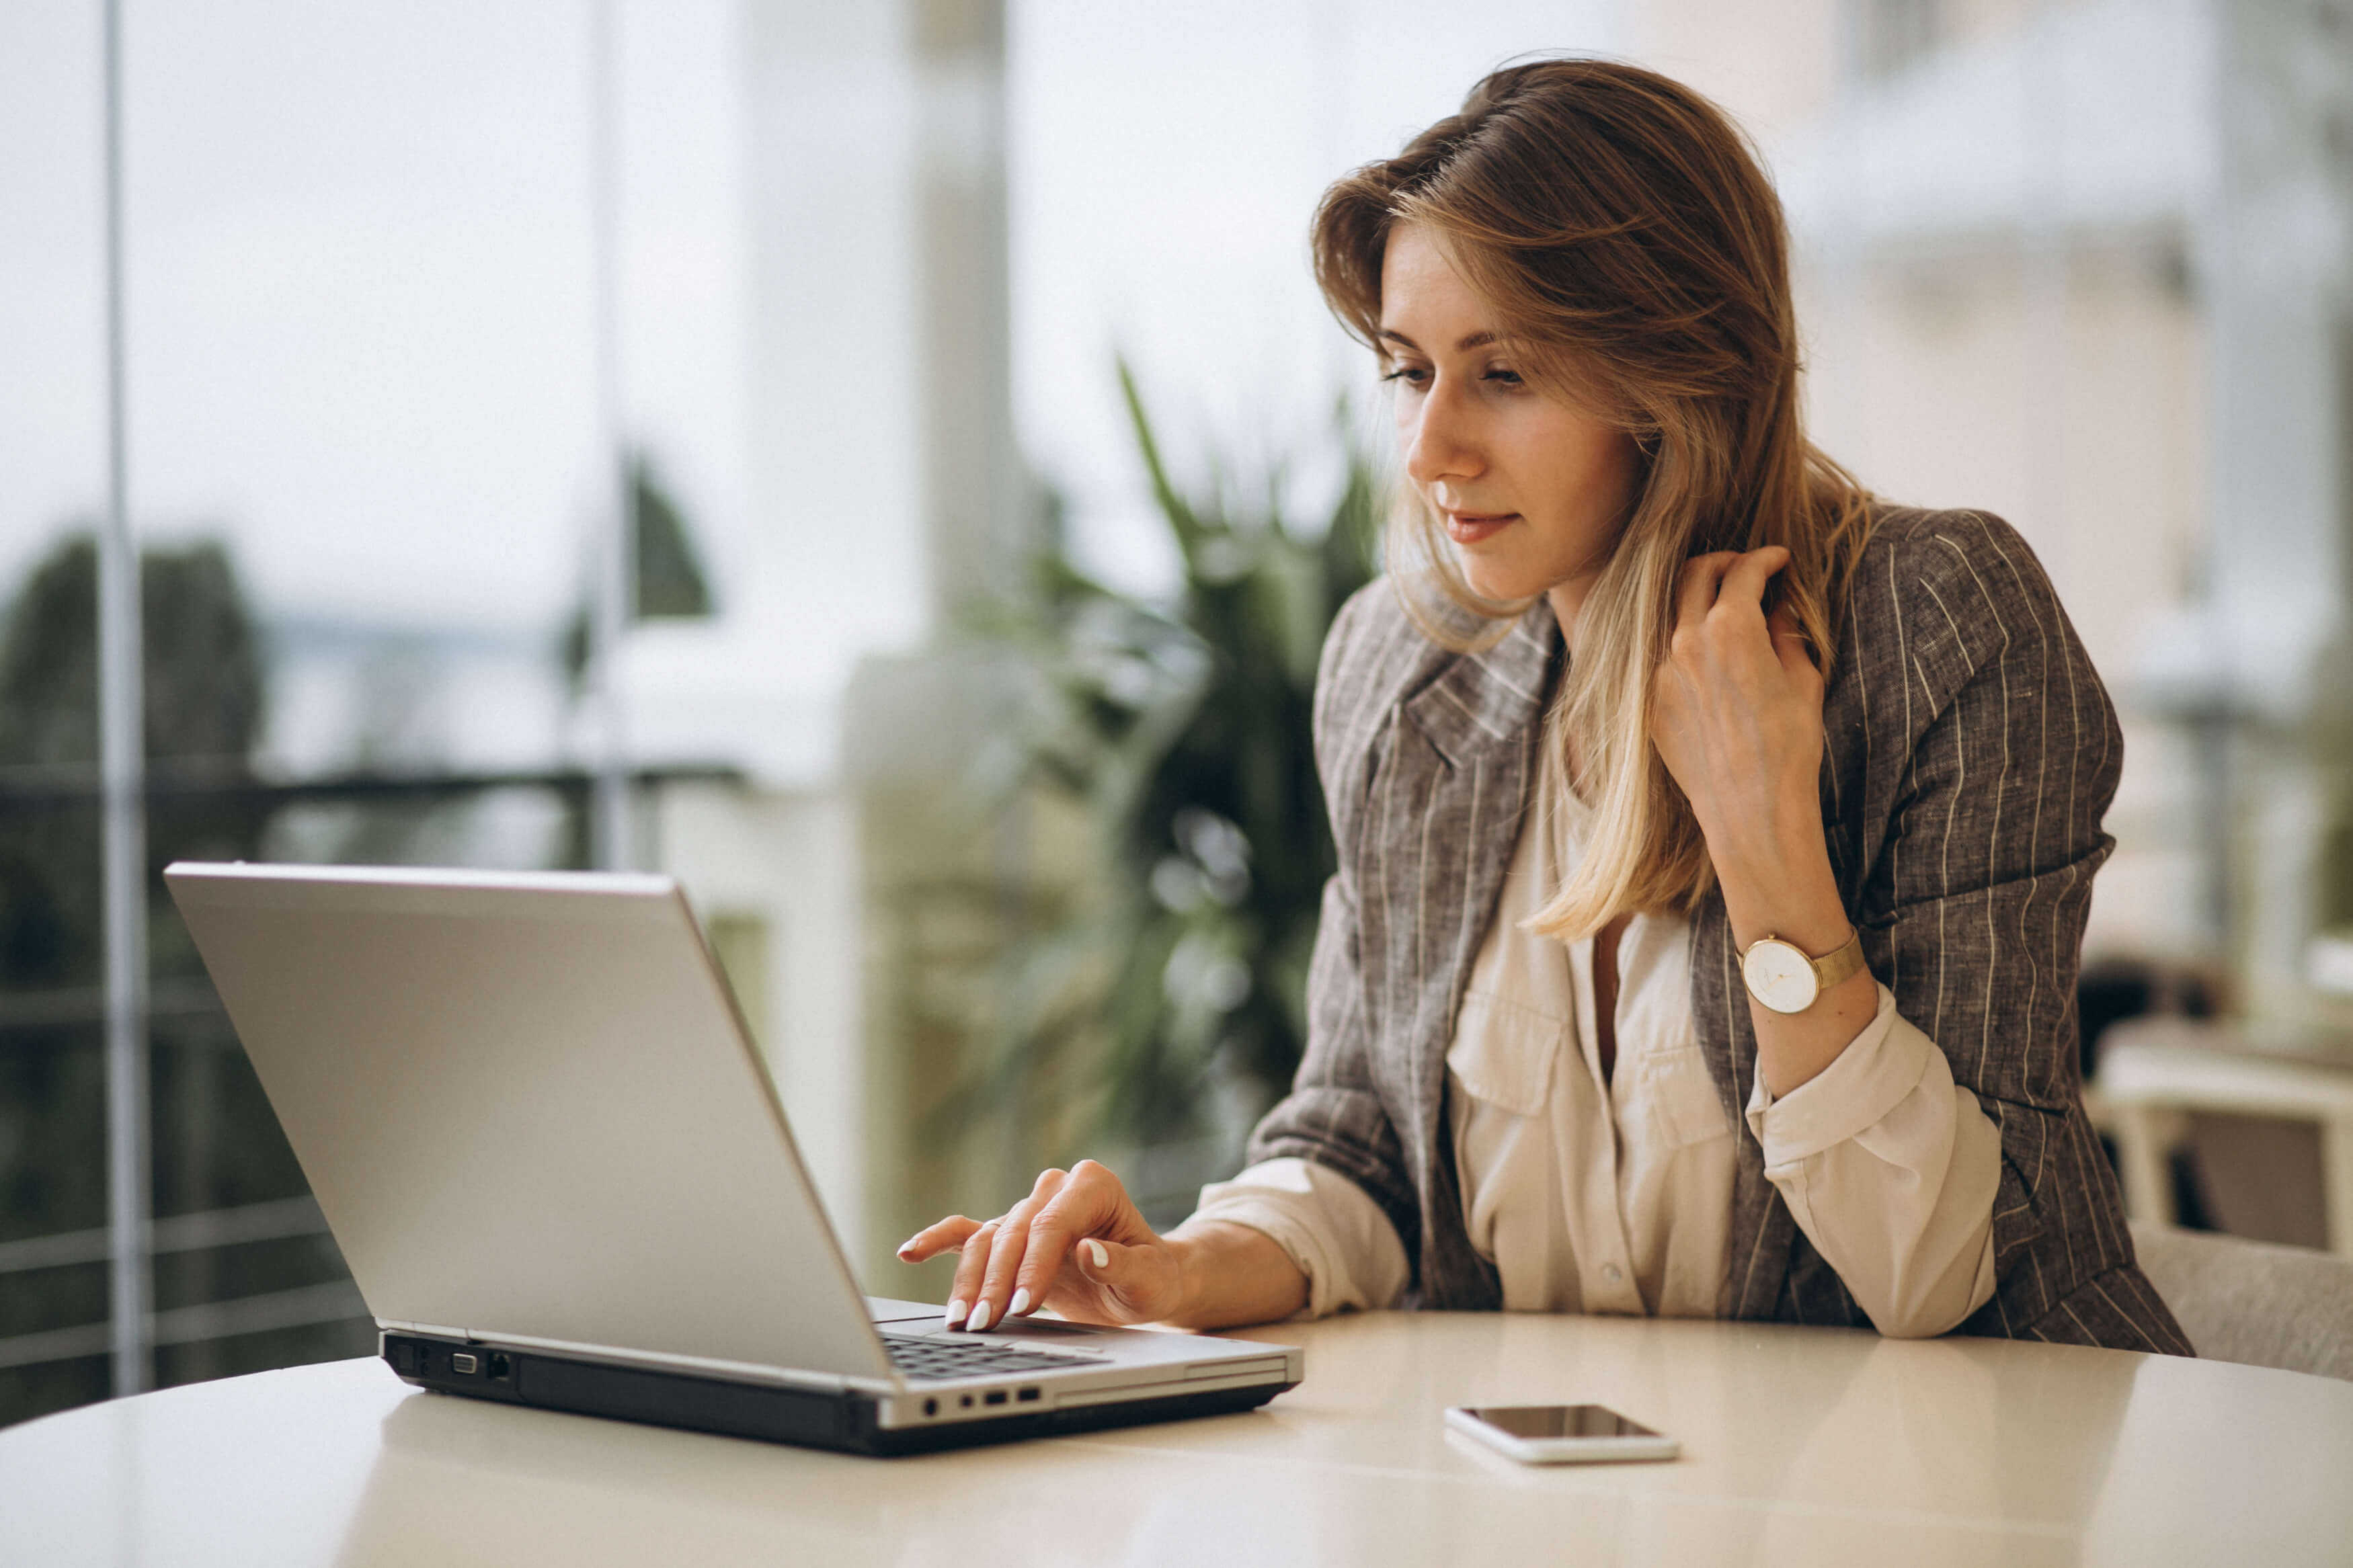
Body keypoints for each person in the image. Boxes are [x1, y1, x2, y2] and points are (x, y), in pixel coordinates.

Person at [900, 57, 2190, 1352]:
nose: (1429, 449)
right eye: (1410, 371)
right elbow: (1363, 1140)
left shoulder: (1939, 625)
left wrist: (1764, 834)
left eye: (1504, 372)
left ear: (1674, 378)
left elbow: (1946, 1269)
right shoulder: (1403, 672)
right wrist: (1183, 1266)